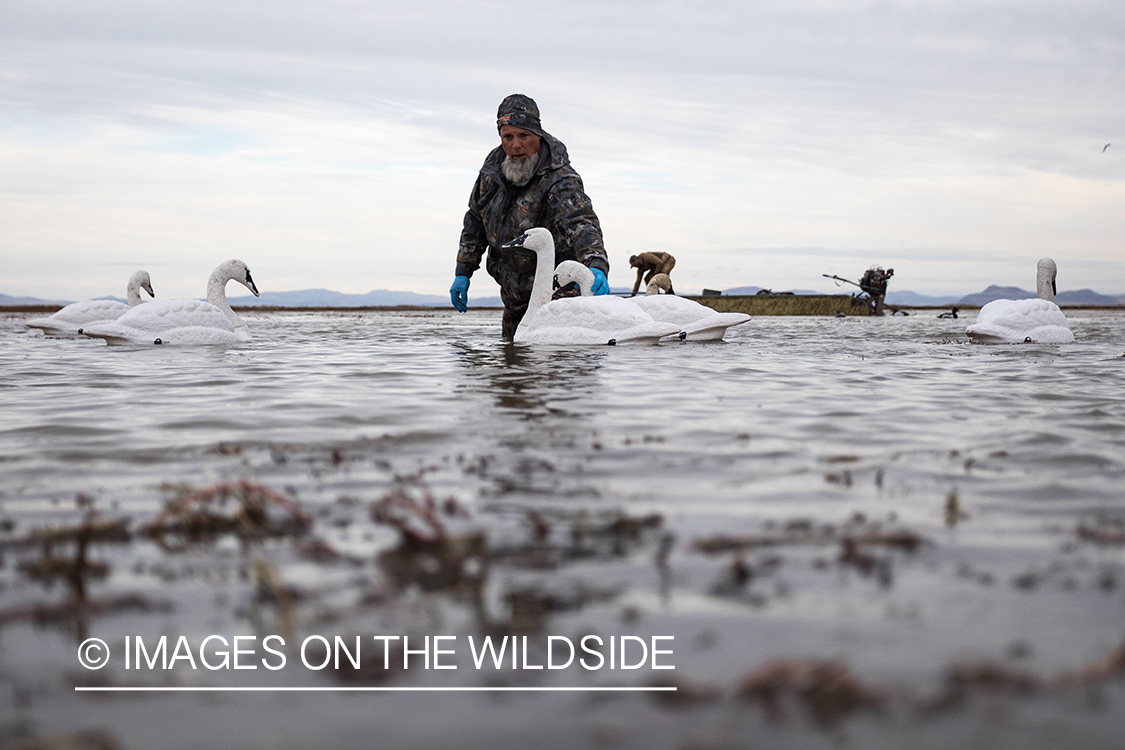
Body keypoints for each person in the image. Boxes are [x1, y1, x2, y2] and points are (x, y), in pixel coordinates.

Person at [450, 94, 610, 339]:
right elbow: (475, 218)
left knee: (557, 365)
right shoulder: (491, 174)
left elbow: (581, 222)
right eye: (508, 137)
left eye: (523, 136)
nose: (516, 145)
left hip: (559, 298)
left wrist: (595, 263)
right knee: (511, 364)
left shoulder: (560, 179)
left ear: (538, 134)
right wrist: (463, 271)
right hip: (514, 297)